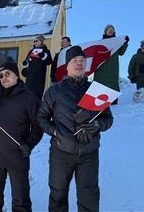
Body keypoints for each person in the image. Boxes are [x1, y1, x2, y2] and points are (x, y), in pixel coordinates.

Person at [36, 46, 114, 211]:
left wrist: (97, 125)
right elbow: (41, 118)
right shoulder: (55, 90)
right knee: (58, 196)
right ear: (67, 65)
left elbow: (108, 119)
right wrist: (57, 132)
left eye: (82, 61)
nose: (79, 64)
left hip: (89, 154)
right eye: (75, 61)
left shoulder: (96, 91)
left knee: (89, 197)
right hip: (60, 153)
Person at [0, 61, 43, 212]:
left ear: (16, 75)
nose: (4, 78)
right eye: (1, 75)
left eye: (7, 74)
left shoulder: (29, 98)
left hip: (18, 155)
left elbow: (38, 126)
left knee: (21, 200)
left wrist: (30, 143)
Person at [93, 24, 129, 104]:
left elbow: (121, 53)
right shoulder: (100, 43)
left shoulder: (117, 42)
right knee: (99, 83)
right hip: (101, 67)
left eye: (112, 29)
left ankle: (113, 101)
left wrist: (125, 43)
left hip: (113, 67)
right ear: (105, 31)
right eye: (109, 28)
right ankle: (97, 101)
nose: (111, 30)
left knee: (112, 83)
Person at [21, 35, 53, 100]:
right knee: (27, 95)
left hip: (39, 78)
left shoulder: (46, 51)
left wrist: (43, 56)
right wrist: (25, 65)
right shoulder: (31, 51)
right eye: (34, 41)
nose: (35, 42)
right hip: (30, 78)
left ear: (41, 42)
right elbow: (27, 61)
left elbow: (49, 61)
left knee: (36, 97)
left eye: (36, 41)